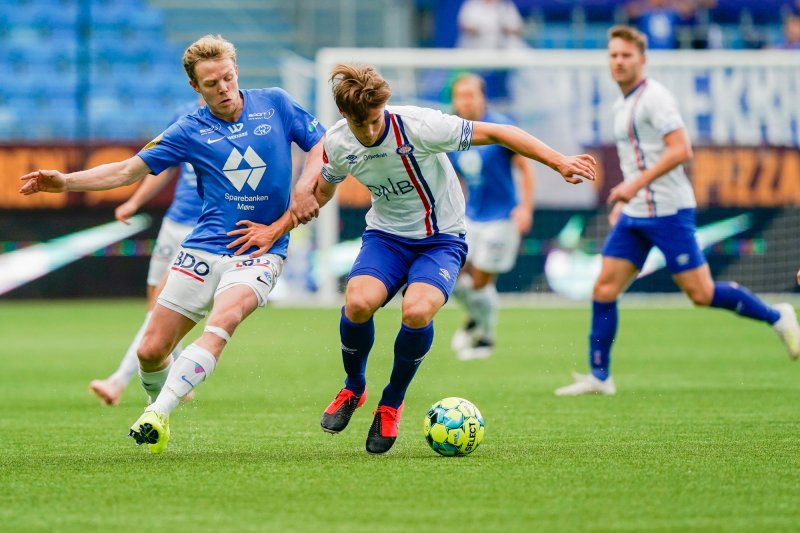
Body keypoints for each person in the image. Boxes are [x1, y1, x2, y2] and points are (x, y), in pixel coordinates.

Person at [264, 63, 596, 454]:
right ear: (343, 116)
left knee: (417, 312)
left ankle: (391, 402)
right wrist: (276, 229)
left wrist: (558, 162)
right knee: (357, 303)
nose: (369, 132)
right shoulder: (338, 143)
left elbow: (501, 132)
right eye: (360, 124)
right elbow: (322, 192)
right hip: (386, 237)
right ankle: (354, 387)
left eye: (374, 121)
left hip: (441, 239)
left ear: (383, 107)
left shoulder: (420, 126)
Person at [20, 34, 325, 453]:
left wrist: (304, 190)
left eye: (228, 77)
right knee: (151, 350)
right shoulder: (189, 129)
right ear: (195, 89)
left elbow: (325, 143)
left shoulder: (276, 103)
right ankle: (156, 404)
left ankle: (157, 415)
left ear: (237, 71)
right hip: (202, 247)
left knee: (223, 321)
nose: (223, 89)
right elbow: (129, 170)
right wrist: (65, 182)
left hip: (259, 250)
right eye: (211, 83)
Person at [555, 25, 800, 397]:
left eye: (626, 55)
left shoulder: (656, 98)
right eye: (614, 55)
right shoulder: (622, 104)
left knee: (700, 294)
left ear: (642, 59)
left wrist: (633, 186)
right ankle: (600, 377)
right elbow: (638, 160)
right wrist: (625, 201)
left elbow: (681, 149)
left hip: (669, 212)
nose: (619, 62)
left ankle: (777, 316)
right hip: (636, 213)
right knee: (604, 288)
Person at [89, 97, 204, 407]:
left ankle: (118, 380)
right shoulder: (183, 115)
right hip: (174, 221)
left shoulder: (236, 122)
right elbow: (162, 166)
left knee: (163, 307)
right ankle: (177, 375)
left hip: (201, 228)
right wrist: (135, 202)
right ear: (195, 83)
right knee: (155, 306)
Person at [447, 73, 535, 361]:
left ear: (483, 97)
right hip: (471, 217)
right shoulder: (453, 132)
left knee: (481, 281)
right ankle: (474, 318)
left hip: (501, 218)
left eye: (471, 94)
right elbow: (455, 177)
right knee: (453, 276)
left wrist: (525, 207)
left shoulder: (499, 129)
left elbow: (525, 166)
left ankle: (486, 338)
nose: (466, 100)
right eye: (461, 95)